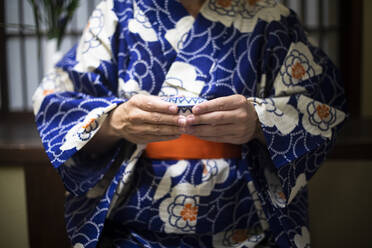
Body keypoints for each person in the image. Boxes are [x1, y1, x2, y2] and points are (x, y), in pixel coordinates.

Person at [32, 0, 347, 247]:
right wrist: (116, 121)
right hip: (131, 231)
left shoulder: (272, 19)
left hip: (248, 227)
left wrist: (259, 121)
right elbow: (57, 103)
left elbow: (322, 107)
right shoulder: (116, 13)